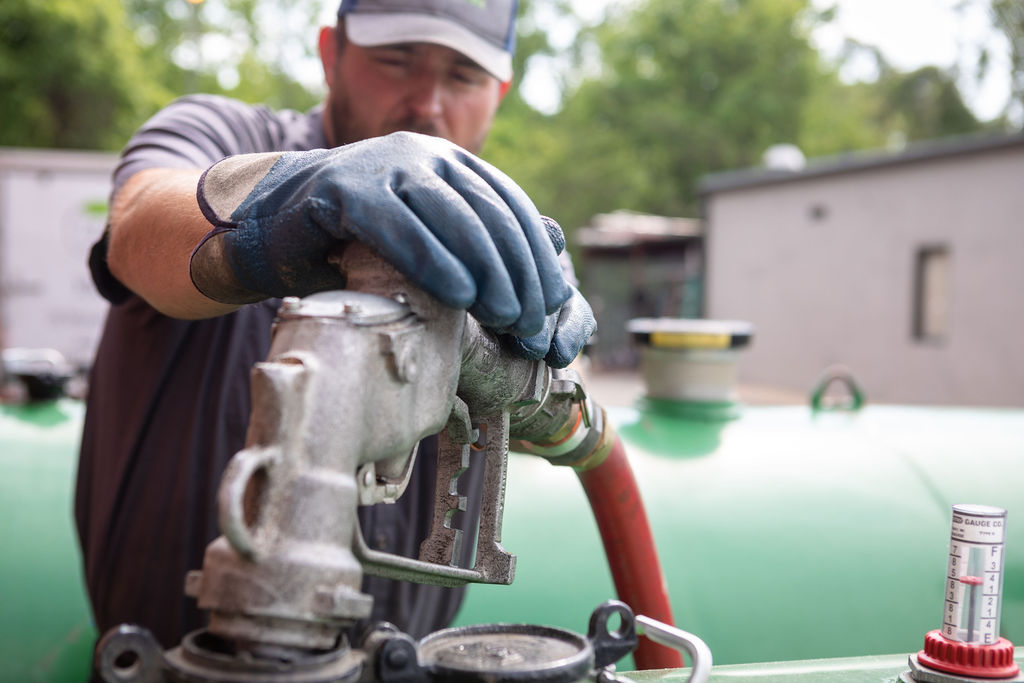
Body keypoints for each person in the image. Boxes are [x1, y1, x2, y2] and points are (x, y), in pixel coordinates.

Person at [75, 0, 596, 652]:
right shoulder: (220, 132)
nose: (427, 103)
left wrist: (542, 353)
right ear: (331, 54)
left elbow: (558, 425)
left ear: (500, 93)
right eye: (396, 59)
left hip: (403, 660)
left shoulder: (493, 235)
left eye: (462, 76)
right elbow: (140, 223)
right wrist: (288, 207)